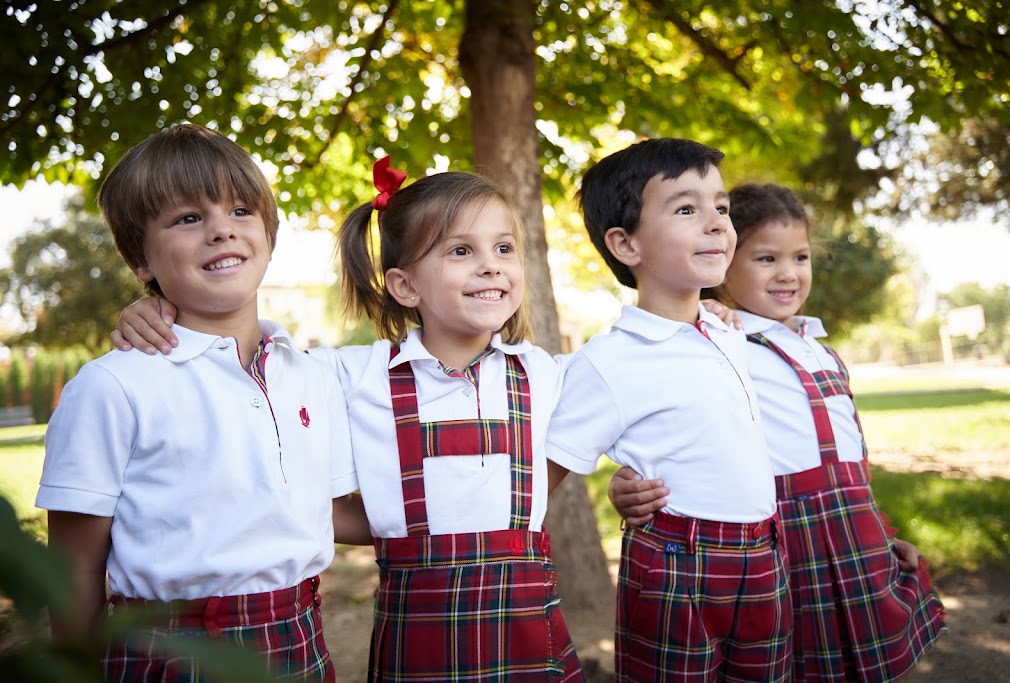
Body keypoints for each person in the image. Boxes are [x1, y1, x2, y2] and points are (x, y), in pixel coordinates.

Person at [111, 157, 584, 681]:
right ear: (405, 287)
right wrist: (156, 309)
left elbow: (633, 408)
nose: (492, 265)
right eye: (460, 251)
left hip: (529, 631)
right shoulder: (346, 375)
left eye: (503, 248)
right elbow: (244, 355)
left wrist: (628, 487)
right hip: (418, 635)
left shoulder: (546, 374)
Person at [37, 123, 369, 682]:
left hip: (299, 638)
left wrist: (456, 515)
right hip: (169, 652)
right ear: (141, 260)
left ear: (268, 232)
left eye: (241, 209)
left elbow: (327, 511)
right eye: (188, 218)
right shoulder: (112, 387)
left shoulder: (313, 377)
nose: (221, 230)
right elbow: (74, 566)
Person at [610, 183, 947, 681]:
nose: (788, 273)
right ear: (725, 262)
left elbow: (850, 460)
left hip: (851, 532)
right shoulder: (718, 341)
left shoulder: (822, 348)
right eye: (766, 258)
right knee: (788, 663)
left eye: (801, 257)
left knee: (854, 662)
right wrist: (629, 478)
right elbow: (673, 419)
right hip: (782, 538)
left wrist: (881, 532)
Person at [545, 138, 792, 682]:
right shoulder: (610, 360)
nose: (716, 224)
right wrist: (619, 487)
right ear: (626, 244)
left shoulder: (725, 329)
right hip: (678, 563)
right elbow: (546, 473)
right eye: (686, 209)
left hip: (764, 554)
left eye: (721, 208)